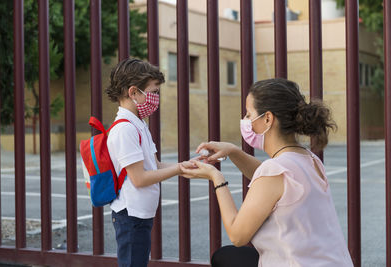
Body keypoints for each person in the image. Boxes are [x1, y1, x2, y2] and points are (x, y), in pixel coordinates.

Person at [180, 78, 354, 267]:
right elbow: (273, 184)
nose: (246, 121)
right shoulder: (309, 159)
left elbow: (237, 235)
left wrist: (216, 177)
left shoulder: (275, 171)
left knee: (226, 256)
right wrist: (234, 151)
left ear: (268, 119)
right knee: (229, 256)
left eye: (249, 114)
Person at [105, 58, 191, 267]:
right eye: (153, 92)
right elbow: (140, 178)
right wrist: (179, 169)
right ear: (134, 92)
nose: (156, 98)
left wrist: (188, 164)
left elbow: (155, 166)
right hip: (130, 214)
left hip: (139, 213)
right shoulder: (124, 129)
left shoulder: (138, 124)